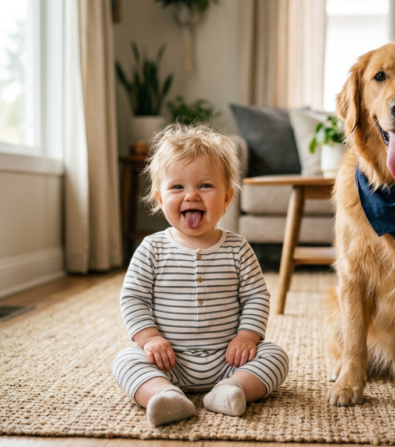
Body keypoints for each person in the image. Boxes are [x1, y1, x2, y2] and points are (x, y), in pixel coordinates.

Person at [112, 124, 289, 426]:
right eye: (177, 187)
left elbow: (256, 295)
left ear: (227, 198)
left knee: (276, 356)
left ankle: (232, 389)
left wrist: (247, 336)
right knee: (126, 361)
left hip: (230, 360)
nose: (191, 195)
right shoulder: (152, 248)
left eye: (205, 186)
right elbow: (133, 298)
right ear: (159, 198)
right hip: (168, 361)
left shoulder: (238, 247)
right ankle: (164, 395)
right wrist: (150, 339)